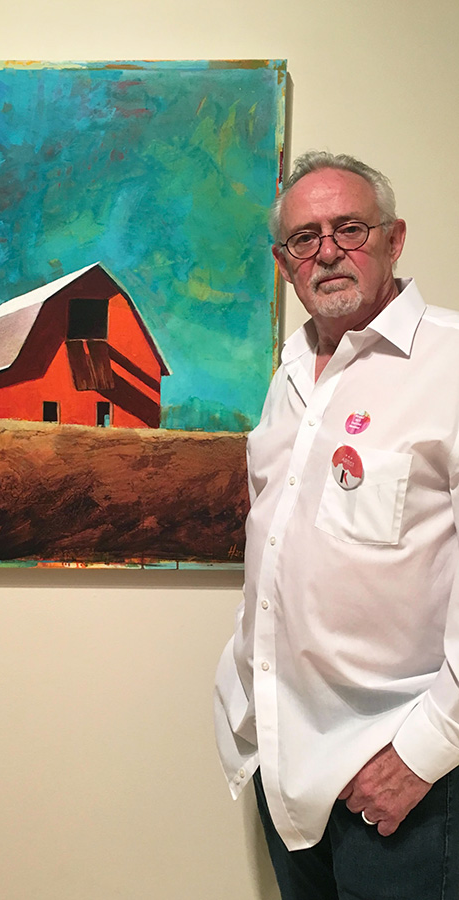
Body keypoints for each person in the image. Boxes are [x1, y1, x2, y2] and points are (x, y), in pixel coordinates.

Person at [214, 151, 459, 899]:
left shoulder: (451, 365)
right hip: (284, 767)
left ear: (394, 239)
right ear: (284, 264)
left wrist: (428, 749)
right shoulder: (288, 377)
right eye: (304, 237)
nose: (326, 250)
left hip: (408, 784)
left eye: (349, 227)